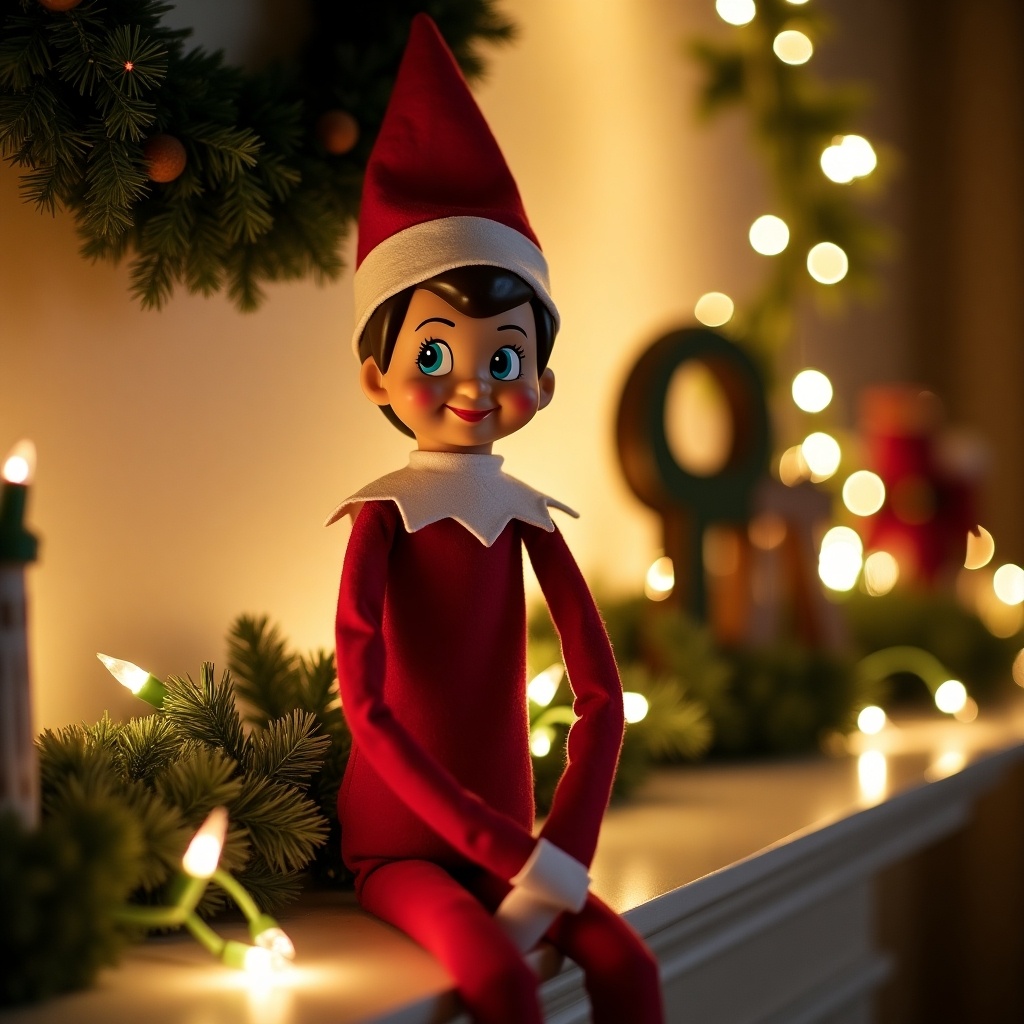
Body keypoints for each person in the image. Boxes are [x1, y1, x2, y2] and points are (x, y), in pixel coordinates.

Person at [328, 15, 664, 1024]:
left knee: (633, 968)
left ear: (542, 380)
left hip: (524, 839)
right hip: (400, 844)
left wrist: (563, 847)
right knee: (500, 982)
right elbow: (367, 702)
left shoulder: (529, 521)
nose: (472, 383)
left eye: (502, 356)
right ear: (374, 375)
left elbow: (603, 696)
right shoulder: (382, 519)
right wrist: (510, 853)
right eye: (433, 354)